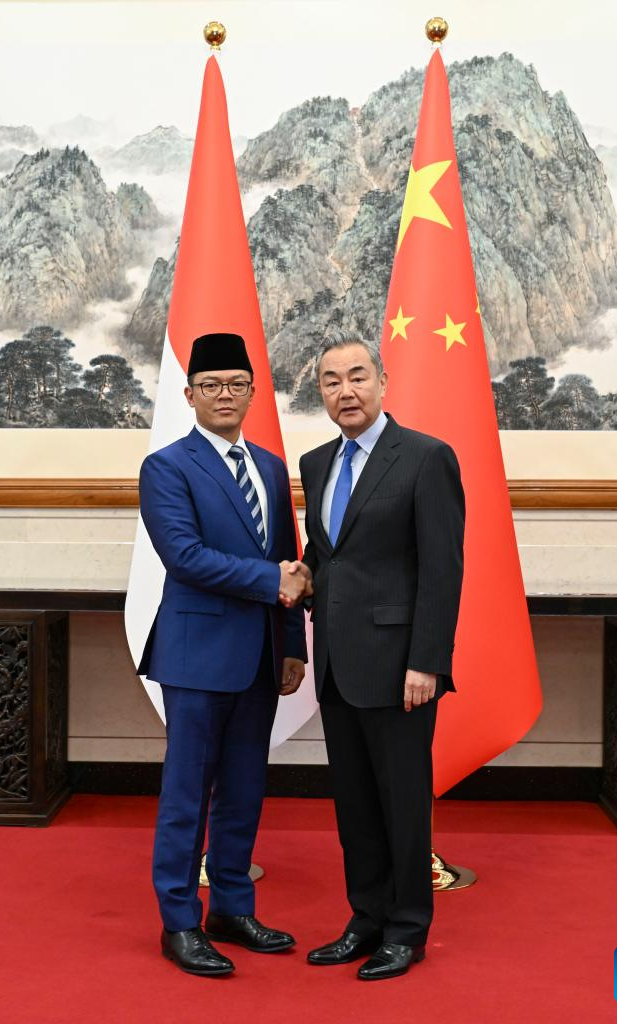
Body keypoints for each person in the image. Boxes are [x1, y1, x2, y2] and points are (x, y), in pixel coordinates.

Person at [137, 332, 308, 977]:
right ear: (190, 395)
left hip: (261, 656)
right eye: (211, 386)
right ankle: (179, 921)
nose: (225, 395)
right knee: (188, 793)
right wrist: (272, 582)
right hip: (196, 657)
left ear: (253, 393)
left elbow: (286, 557)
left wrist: (292, 644)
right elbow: (184, 557)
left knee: (243, 790)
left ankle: (231, 908)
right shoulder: (167, 467)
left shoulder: (269, 466)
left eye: (237, 384)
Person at [296, 330, 465, 981]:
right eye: (332, 380)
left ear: (382, 382)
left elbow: (442, 568)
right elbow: (329, 553)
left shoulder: (425, 457)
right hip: (337, 663)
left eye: (357, 376)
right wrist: (299, 575)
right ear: (321, 392)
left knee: (402, 803)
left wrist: (428, 661)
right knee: (356, 805)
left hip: (401, 668)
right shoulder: (316, 463)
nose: (346, 391)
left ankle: (407, 929)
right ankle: (366, 918)